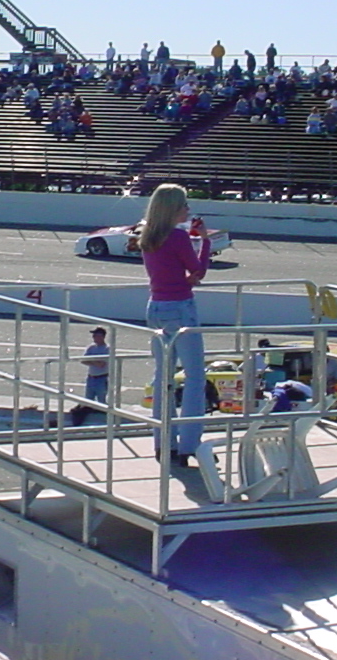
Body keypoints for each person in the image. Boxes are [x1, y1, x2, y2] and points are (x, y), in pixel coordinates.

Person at [139, 184, 211, 466]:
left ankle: (163, 442)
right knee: (195, 378)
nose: (187, 210)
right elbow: (198, 271)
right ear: (172, 208)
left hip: (156, 306)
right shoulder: (178, 236)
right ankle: (189, 444)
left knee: (163, 378)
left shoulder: (148, 236)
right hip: (180, 308)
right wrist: (205, 241)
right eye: (184, 205)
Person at [82, 326, 110, 405]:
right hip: (91, 378)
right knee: (88, 400)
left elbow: (101, 364)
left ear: (102, 336)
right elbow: (83, 360)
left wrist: (90, 360)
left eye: (95, 335)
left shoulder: (107, 349)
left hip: (101, 378)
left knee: (101, 401)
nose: (93, 337)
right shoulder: (91, 347)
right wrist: (95, 362)